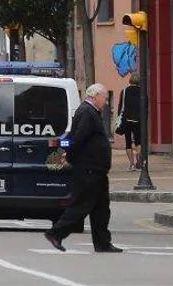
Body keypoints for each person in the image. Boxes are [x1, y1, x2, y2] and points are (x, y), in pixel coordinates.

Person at [44, 83, 122, 253]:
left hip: (96, 170)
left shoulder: (89, 111)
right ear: (96, 96)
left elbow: (75, 136)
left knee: (101, 209)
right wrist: (69, 157)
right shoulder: (87, 112)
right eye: (105, 98)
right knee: (81, 205)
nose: (106, 102)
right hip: (88, 169)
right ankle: (56, 233)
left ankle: (102, 243)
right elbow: (78, 137)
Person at [117, 72, 141, 171]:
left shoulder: (124, 91)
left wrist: (119, 117)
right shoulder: (142, 92)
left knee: (128, 142)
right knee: (138, 142)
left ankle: (131, 164)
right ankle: (138, 162)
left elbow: (120, 106)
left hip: (127, 119)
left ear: (130, 81)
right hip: (138, 120)